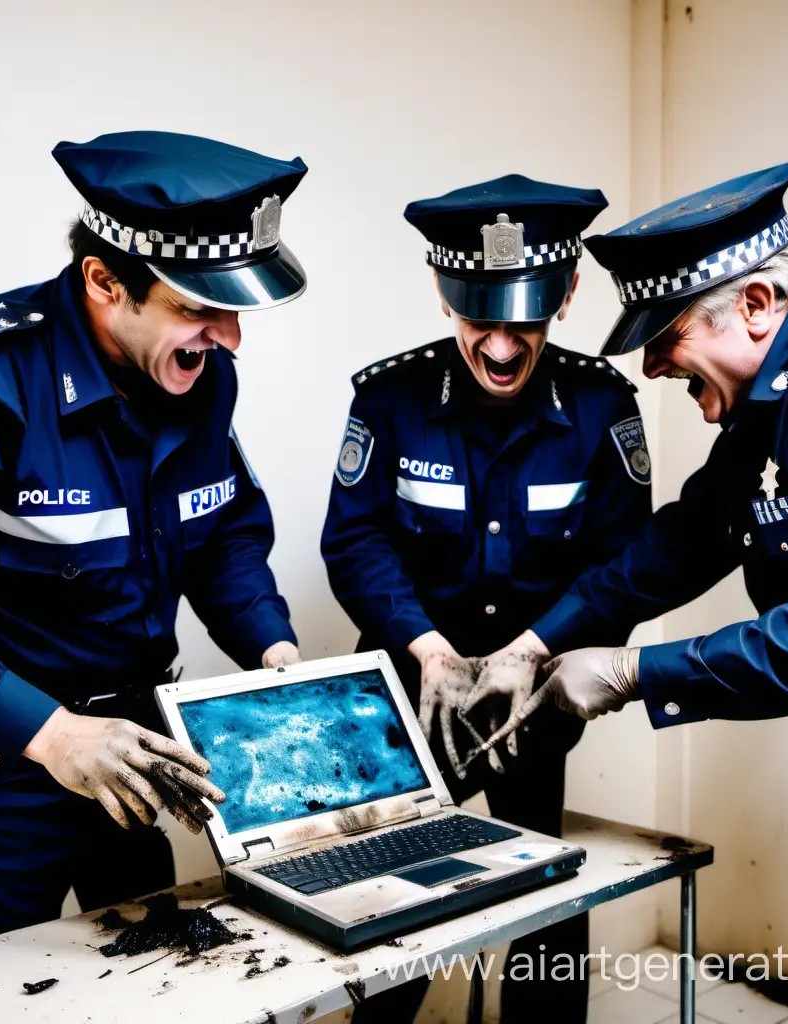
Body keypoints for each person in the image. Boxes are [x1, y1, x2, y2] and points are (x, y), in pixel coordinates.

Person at [475, 161, 788, 1022]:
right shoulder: (782, 396)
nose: (672, 381)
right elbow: (680, 543)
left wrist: (631, 674)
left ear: (759, 305)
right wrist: (536, 643)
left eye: (678, 351)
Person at [0, 130, 308, 949]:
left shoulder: (201, 376)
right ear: (105, 280)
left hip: (144, 754)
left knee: (151, 978)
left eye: (235, 310)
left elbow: (223, 538)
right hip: (12, 766)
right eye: (199, 308)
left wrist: (276, 657)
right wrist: (55, 734)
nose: (230, 339)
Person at [321, 174, 652, 1021]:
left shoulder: (601, 406)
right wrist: (428, 648)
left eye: (525, 322)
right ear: (443, 291)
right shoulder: (389, 401)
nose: (503, 347)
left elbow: (623, 567)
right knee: (394, 911)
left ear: (567, 294)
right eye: (481, 320)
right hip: (406, 693)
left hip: (534, 701)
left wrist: (535, 652)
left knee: (545, 900)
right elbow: (355, 543)